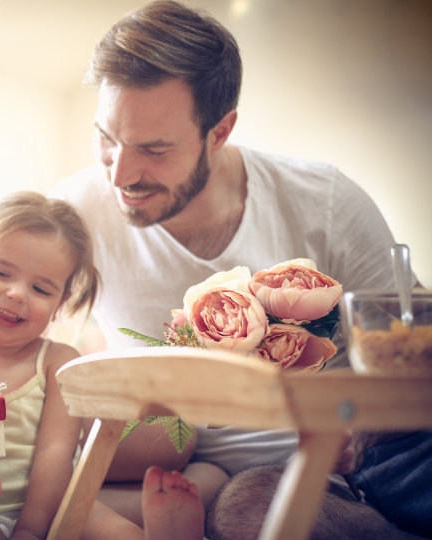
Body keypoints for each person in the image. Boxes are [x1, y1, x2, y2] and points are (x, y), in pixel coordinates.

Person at [52, 1, 428, 538]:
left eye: (154, 149)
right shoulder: (76, 211)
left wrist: (361, 432)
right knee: (243, 505)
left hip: (349, 463)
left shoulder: (324, 203)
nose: (121, 174)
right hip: (205, 474)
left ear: (220, 131)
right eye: (107, 140)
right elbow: (11, 328)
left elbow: (414, 357)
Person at [0, 191, 202, 540]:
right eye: (1, 272)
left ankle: (165, 534)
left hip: (49, 502)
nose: (17, 294)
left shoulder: (56, 361)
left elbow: (57, 451)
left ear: (61, 303)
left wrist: (32, 528)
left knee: (109, 529)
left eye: (40, 289)